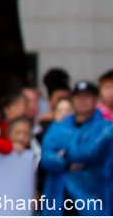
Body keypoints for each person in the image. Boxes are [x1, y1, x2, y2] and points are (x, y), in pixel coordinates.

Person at [40, 80, 113, 215]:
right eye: (78, 96)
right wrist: (66, 162)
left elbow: (88, 153)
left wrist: (63, 153)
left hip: (92, 199)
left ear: (96, 100)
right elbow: (45, 157)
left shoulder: (106, 129)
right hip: (60, 197)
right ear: (73, 99)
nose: (82, 100)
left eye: (87, 96)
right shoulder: (59, 127)